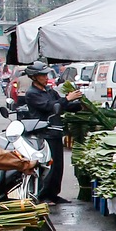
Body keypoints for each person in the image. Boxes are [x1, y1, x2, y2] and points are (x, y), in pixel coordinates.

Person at [13, 64, 73, 203]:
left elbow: (61, 104)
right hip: (44, 133)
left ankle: (53, 194)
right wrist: (67, 99)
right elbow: (50, 106)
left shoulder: (49, 91)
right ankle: (43, 194)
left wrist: (77, 103)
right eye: (43, 76)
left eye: (47, 75)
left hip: (56, 131)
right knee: (49, 166)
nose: (46, 78)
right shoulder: (32, 93)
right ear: (34, 77)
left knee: (58, 166)